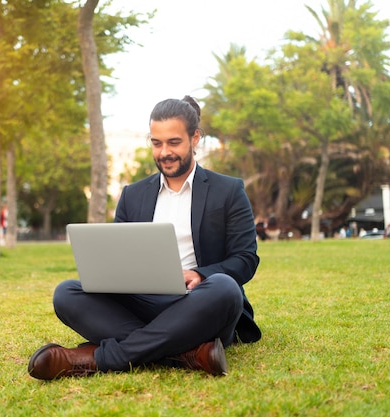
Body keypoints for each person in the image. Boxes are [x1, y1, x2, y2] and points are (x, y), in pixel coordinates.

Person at [28, 96, 261, 380]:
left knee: (225, 288)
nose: (164, 152)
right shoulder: (133, 195)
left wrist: (200, 274)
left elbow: (245, 260)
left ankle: (99, 359)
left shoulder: (228, 191)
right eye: (156, 143)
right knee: (66, 292)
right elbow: (117, 259)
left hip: (198, 304)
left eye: (174, 142)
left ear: (195, 138)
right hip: (141, 305)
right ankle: (187, 354)